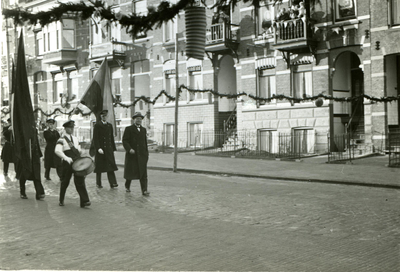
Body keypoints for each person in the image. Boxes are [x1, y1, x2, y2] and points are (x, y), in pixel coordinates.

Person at [55, 120, 91, 208]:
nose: (71, 129)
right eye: (70, 128)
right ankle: (61, 200)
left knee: (80, 181)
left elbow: (78, 149)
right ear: (65, 128)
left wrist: (82, 152)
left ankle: (84, 201)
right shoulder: (61, 139)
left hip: (77, 162)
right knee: (65, 182)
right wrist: (65, 158)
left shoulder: (75, 138)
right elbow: (57, 150)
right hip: (67, 163)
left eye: (72, 128)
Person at [122, 112, 149, 196]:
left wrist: (146, 153)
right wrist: (129, 149)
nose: (139, 120)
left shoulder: (143, 130)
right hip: (132, 155)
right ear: (134, 120)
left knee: (143, 173)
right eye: (137, 119)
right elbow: (125, 141)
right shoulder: (128, 129)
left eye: (140, 119)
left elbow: (145, 142)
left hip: (142, 155)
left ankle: (144, 190)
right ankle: (127, 185)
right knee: (131, 172)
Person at [92, 109, 118, 189]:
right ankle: (98, 183)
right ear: (100, 116)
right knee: (99, 167)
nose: (104, 117)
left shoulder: (109, 126)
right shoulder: (97, 125)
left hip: (108, 149)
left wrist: (113, 148)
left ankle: (113, 183)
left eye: (106, 116)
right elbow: (95, 138)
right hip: (101, 150)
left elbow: (111, 138)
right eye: (103, 116)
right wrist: (98, 148)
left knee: (110, 166)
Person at [19, 129, 45, 200]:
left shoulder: (34, 129)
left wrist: (40, 154)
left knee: (36, 174)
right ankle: (22, 192)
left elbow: (36, 142)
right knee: (24, 173)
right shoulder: (22, 129)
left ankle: (39, 193)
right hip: (25, 156)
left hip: (35, 155)